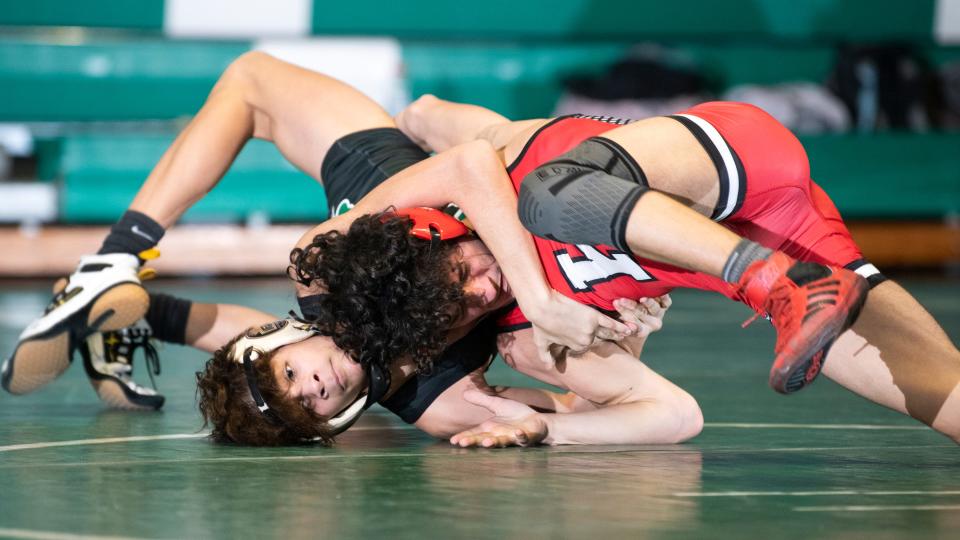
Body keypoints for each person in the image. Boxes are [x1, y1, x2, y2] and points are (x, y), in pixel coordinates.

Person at [1, 52, 701, 447]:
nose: (312, 386)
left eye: (294, 374)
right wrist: (620, 336)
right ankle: (136, 312)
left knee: (260, 84)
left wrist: (541, 298)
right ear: (327, 425)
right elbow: (597, 413)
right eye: (307, 403)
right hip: (508, 209)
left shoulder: (317, 277)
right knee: (508, 153)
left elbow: (465, 169)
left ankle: (116, 263)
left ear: (283, 339)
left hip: (395, 188)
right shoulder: (434, 401)